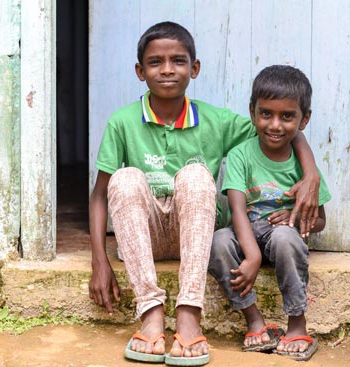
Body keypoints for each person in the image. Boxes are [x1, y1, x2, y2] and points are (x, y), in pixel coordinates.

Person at [88, 22, 321, 366]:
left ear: (194, 69)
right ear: (140, 71)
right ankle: (151, 315)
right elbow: (99, 196)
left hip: (196, 236)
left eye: (178, 61)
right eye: (155, 62)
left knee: (196, 176)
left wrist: (311, 172)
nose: (167, 70)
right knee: (123, 179)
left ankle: (188, 314)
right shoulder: (122, 121)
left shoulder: (216, 120)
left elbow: (278, 128)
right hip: (144, 237)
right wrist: (99, 260)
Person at [208, 65, 331, 362]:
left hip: (281, 236)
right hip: (244, 233)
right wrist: (253, 256)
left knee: (286, 238)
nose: (275, 125)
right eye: (266, 114)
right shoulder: (240, 155)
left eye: (287, 116)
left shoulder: (303, 168)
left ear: (304, 119)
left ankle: (297, 324)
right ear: (253, 113)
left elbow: (321, 220)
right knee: (217, 242)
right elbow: (236, 208)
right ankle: (254, 319)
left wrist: (295, 217)